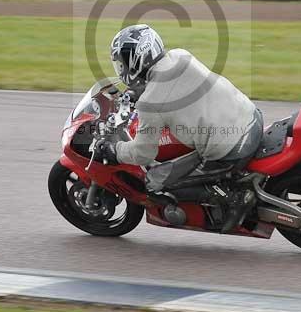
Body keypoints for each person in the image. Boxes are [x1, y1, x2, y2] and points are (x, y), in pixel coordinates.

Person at [95, 24, 263, 231]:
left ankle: (234, 198)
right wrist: (135, 93)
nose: (121, 69)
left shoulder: (151, 103)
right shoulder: (180, 56)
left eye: (121, 64)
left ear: (134, 61)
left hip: (232, 149)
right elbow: (172, 86)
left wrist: (114, 150)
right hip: (251, 116)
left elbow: (142, 155)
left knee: (154, 183)